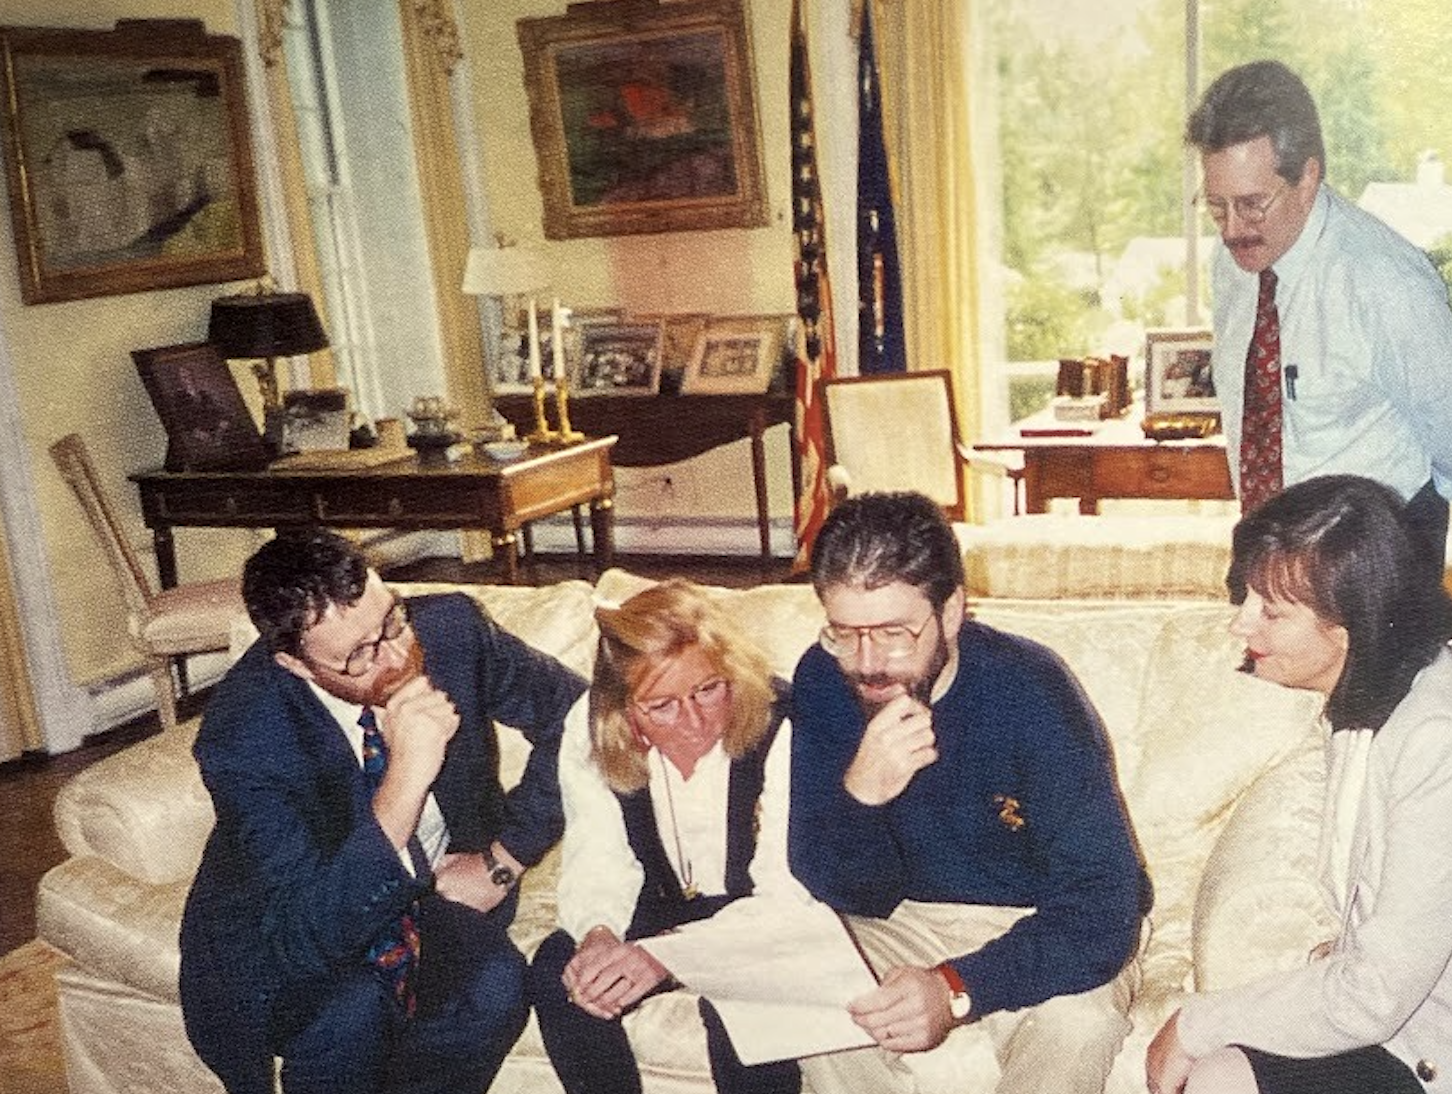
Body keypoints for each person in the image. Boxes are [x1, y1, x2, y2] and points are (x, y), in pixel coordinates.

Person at [179, 530, 587, 1094]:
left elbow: (585, 718)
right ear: (296, 666)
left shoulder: (452, 630)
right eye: (359, 655)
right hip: (290, 924)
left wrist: (505, 857)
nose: (398, 658)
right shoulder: (245, 733)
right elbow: (308, 932)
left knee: (495, 986)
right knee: (350, 1014)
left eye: (392, 621)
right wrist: (405, 779)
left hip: (429, 897)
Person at [789, 491, 1152, 1094]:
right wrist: (862, 797)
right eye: (845, 632)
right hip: (905, 918)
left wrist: (956, 988)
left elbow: (1102, 905)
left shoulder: (1031, 691)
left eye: (895, 633)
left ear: (952, 611)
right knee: (809, 986)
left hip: (1041, 918)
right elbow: (843, 892)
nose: (868, 663)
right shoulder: (824, 680)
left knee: (1078, 1027)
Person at [1145, 474, 1452, 1094]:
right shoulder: (1367, 699)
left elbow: (1377, 995)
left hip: (1433, 1049)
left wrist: (1193, 1023)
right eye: (1246, 598)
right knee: (1221, 1078)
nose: (1240, 626)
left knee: (1212, 1069)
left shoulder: (1435, 740)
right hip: (1406, 1028)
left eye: (1271, 610)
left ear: (1349, 628)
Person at [528, 579, 802, 1094]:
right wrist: (599, 935)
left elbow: (786, 890)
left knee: (749, 1002)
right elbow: (598, 855)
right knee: (561, 973)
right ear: (625, 708)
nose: (696, 721)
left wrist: (667, 955)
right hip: (660, 901)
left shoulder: (782, 722)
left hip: (759, 913)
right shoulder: (592, 725)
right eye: (663, 705)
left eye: (708, 689)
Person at [1186, 59, 1452, 581]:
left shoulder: (1385, 282)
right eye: (1217, 207)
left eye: (1252, 204)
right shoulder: (1235, 263)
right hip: (1271, 551)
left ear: (1307, 178)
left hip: (1374, 567)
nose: (1233, 229)